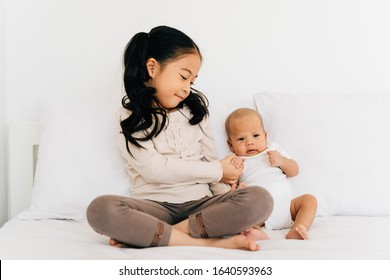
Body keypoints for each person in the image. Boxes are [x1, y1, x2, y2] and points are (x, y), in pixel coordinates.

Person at [86, 26, 274, 251]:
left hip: (201, 204)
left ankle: (156, 235)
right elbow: (155, 170)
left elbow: (210, 163)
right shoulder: (130, 117)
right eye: (184, 77)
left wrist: (227, 194)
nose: (187, 88)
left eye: (192, 82)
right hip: (154, 208)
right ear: (153, 67)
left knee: (260, 199)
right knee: (100, 209)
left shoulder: (196, 112)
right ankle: (211, 242)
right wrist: (218, 170)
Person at [224, 108, 317, 240]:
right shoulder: (234, 160)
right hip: (260, 210)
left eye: (255, 136)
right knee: (242, 213)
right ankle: (255, 231)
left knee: (309, 200)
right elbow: (227, 183)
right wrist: (237, 189)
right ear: (230, 144)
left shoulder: (273, 149)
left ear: (265, 136)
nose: (249, 142)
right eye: (241, 139)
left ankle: (299, 227)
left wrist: (282, 161)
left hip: (288, 207)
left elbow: (294, 171)